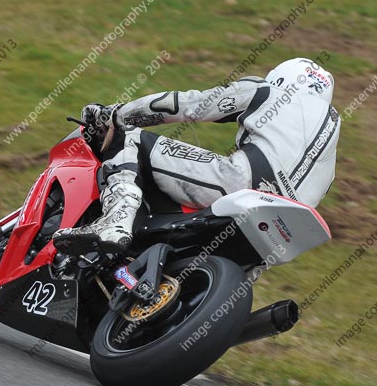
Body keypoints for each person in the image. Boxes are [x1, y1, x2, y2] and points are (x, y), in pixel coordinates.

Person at [52, 57, 340, 253]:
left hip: (240, 185)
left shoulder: (267, 92)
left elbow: (188, 105)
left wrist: (116, 114)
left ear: (279, 79)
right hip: (288, 228)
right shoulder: (331, 151)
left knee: (130, 139)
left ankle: (116, 221)